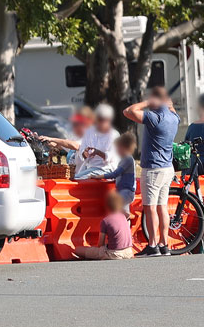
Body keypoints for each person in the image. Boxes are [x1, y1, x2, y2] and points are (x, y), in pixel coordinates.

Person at [123, 86, 179, 258]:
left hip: (153, 168)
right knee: (162, 207)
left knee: (150, 208)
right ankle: (164, 244)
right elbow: (172, 110)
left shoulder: (155, 118)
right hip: (168, 167)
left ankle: (153, 244)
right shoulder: (174, 118)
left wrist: (147, 103)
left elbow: (128, 111)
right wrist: (168, 105)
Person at [73, 192, 134, 260]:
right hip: (129, 252)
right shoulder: (123, 217)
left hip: (114, 254)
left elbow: (100, 244)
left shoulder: (106, 221)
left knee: (78, 250)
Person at [91, 133, 137, 217]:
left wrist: (99, 176)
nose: (117, 150)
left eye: (118, 148)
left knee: (119, 211)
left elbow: (115, 173)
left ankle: (125, 222)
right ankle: (125, 225)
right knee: (122, 213)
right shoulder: (125, 159)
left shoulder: (127, 159)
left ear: (124, 148)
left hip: (126, 191)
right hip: (124, 191)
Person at [74, 104, 120, 179]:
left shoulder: (114, 134)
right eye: (99, 119)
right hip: (90, 168)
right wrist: (84, 153)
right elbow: (82, 150)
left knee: (78, 179)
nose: (100, 122)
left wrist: (97, 152)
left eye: (103, 119)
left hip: (107, 170)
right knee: (75, 179)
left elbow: (111, 157)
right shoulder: (89, 131)